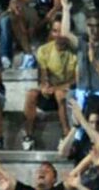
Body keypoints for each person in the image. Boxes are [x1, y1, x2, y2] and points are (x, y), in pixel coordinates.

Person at [22, 16, 79, 151]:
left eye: (61, 31)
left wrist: (57, 88)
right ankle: (28, 136)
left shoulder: (77, 52)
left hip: (70, 94)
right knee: (31, 94)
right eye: (55, 31)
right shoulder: (44, 50)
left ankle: (66, 134)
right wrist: (45, 86)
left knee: (60, 94)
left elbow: (77, 79)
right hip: (51, 93)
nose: (58, 35)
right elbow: (43, 75)